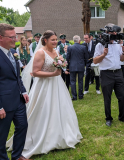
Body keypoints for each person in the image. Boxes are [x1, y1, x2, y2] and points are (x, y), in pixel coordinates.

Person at [7, 30, 83, 159]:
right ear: (45, 40)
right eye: (52, 39)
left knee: (60, 109)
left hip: (57, 84)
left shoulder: (56, 52)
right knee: (44, 110)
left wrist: (61, 67)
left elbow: (58, 66)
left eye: (55, 39)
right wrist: (52, 74)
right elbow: (35, 72)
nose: (55, 42)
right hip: (43, 86)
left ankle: (60, 135)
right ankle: (40, 138)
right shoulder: (40, 53)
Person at [0, 23, 30, 160]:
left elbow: (16, 76)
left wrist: (23, 91)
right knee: (2, 135)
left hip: (18, 100)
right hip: (4, 103)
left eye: (15, 36)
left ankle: (17, 156)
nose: (15, 40)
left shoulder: (13, 52)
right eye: (11, 37)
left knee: (23, 126)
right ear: (1, 37)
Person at [93, 23, 124, 127]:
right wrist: (104, 54)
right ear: (107, 32)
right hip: (106, 74)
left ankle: (122, 117)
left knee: (122, 96)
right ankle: (108, 118)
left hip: (118, 73)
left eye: (116, 32)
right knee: (107, 97)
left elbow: (121, 59)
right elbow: (95, 61)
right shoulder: (100, 45)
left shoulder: (118, 44)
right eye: (113, 32)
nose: (115, 34)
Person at [67, 35, 88, 100]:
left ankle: (74, 96)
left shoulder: (70, 47)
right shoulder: (83, 47)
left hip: (72, 66)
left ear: (73, 41)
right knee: (80, 81)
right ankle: (80, 95)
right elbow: (86, 57)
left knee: (73, 81)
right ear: (79, 40)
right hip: (81, 66)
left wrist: (68, 66)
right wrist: (84, 64)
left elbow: (67, 58)